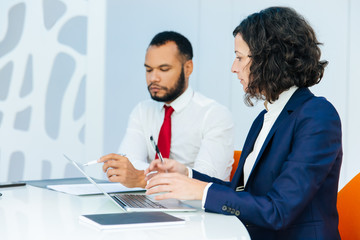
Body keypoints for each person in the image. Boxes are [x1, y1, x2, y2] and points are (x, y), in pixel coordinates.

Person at [145, 7, 342, 240]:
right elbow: (243, 193)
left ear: (268, 58)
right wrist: (187, 174)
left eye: (239, 57)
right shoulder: (265, 117)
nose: (233, 67)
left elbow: (278, 211)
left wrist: (201, 192)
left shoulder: (317, 116)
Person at [99, 31, 235, 188]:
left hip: (194, 209)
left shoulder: (215, 115)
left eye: (163, 69)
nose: (153, 78)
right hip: (150, 203)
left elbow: (208, 179)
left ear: (188, 68)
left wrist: (143, 178)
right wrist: (140, 175)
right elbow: (127, 165)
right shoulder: (143, 111)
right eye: (149, 70)